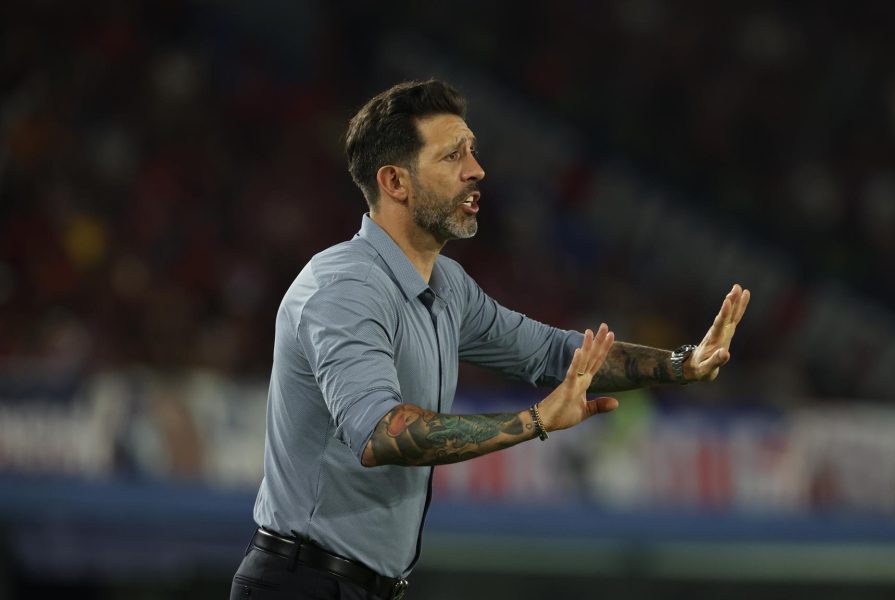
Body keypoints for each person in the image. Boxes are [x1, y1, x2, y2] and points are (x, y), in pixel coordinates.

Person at [230, 79, 750, 600]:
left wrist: (685, 363)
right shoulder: (345, 286)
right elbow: (383, 434)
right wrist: (537, 421)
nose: (476, 170)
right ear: (394, 181)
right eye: (452, 156)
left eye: (473, 152)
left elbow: (553, 353)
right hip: (299, 584)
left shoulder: (446, 284)